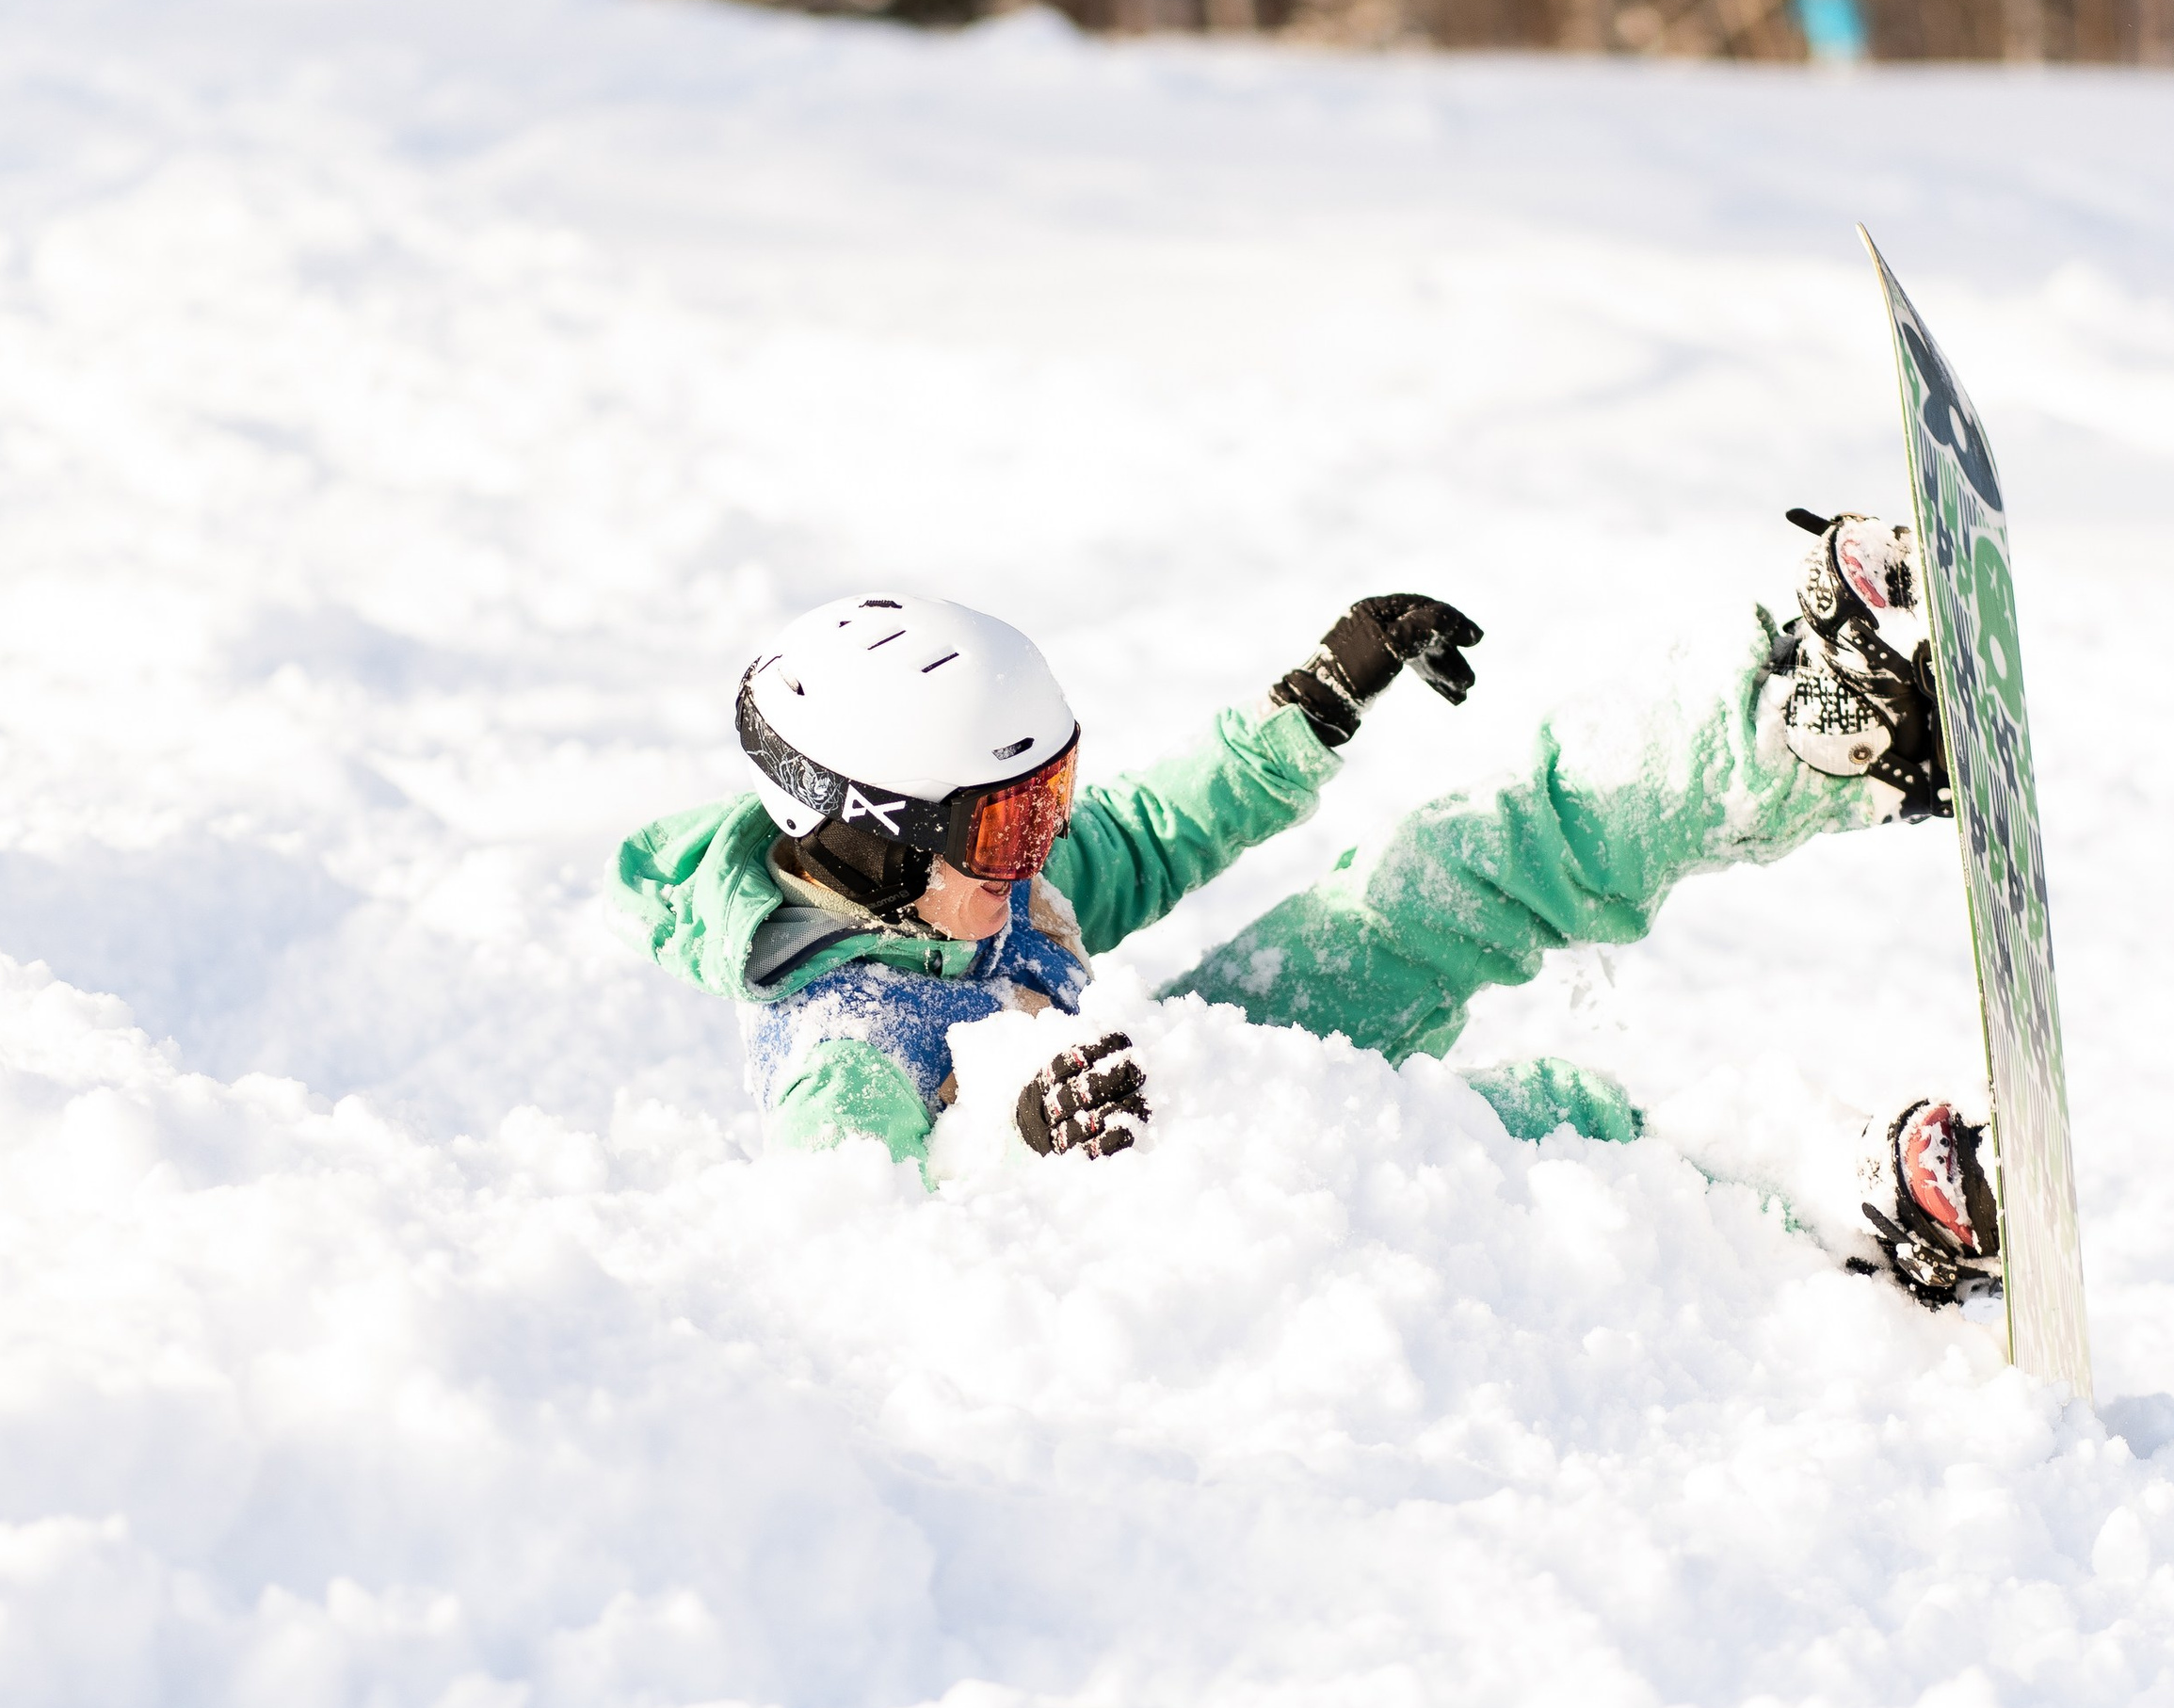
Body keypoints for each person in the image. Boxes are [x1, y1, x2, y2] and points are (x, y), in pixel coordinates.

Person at [606, 517, 2003, 1308]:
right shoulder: (845, 1050)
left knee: (1441, 877)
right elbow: (861, 1259)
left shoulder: (973, 887)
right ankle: (1841, 1216)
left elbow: (1147, 835)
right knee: (1514, 1138)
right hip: (1168, 1212)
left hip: (1185, 1083)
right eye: (1005, 825)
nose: (1039, 852)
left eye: (1044, 804)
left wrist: (1315, 703)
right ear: (866, 839)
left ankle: (1812, 737)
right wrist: (1007, 1151)